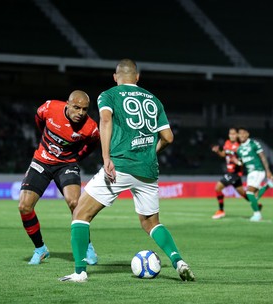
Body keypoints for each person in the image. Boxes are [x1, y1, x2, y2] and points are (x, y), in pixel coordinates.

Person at [60, 59, 195, 282]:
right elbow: (168, 138)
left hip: (120, 165)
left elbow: (105, 120)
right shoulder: (154, 99)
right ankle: (178, 261)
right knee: (151, 223)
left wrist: (106, 157)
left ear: (115, 77)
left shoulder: (109, 95)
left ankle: (79, 272)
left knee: (80, 215)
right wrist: (151, 152)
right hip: (148, 170)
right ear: (137, 77)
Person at [18, 90, 100, 265]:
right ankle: (40, 249)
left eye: (85, 109)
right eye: (76, 108)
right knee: (24, 206)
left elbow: (93, 144)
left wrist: (78, 157)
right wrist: (45, 140)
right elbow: (39, 120)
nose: (80, 113)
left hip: (67, 165)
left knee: (75, 204)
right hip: (42, 160)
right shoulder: (49, 108)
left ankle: (86, 247)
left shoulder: (90, 128)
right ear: (67, 104)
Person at [235, 127, 273, 222]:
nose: (242, 135)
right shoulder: (239, 149)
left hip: (258, 170)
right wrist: (237, 162)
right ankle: (268, 185)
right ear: (238, 135)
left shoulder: (254, 144)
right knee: (254, 197)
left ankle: (257, 215)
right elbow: (241, 162)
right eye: (240, 133)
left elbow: (263, 157)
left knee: (249, 193)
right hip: (250, 172)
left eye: (244, 133)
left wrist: (268, 171)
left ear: (248, 134)